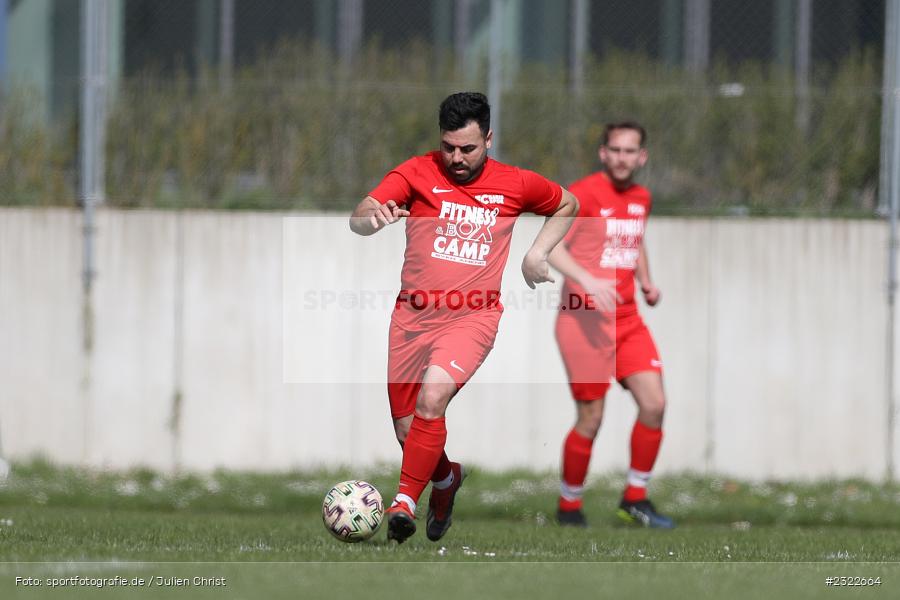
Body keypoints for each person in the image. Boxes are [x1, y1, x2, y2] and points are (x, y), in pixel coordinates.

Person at [349, 92, 579, 543]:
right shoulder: (416, 171)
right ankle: (446, 480)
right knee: (407, 429)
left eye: (467, 148)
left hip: (471, 318)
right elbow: (358, 217)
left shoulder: (514, 183)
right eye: (449, 147)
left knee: (432, 400)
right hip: (411, 317)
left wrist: (537, 253)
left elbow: (566, 203)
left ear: (488, 139)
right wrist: (370, 218)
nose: (456, 158)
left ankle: (403, 504)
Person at [549, 121, 674, 529]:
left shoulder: (641, 197)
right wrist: (586, 280)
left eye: (630, 151)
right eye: (615, 150)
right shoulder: (581, 194)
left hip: (627, 320)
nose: (623, 158)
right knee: (592, 418)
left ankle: (635, 498)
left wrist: (646, 282)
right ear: (603, 153)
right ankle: (569, 507)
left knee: (654, 403)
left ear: (643, 157)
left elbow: (633, 242)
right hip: (582, 320)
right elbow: (549, 249)